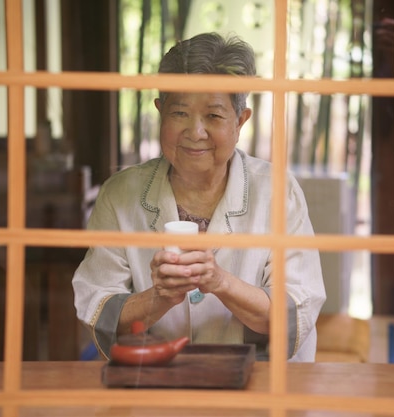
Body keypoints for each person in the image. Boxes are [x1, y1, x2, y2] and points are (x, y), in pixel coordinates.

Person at [72, 32, 326, 362]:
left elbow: (296, 312)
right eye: (179, 113)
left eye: (214, 115)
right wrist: (161, 296)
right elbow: (98, 310)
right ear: (160, 111)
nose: (195, 132)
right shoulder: (120, 195)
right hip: (156, 384)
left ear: (240, 120)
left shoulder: (278, 192)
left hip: (260, 393)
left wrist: (219, 281)